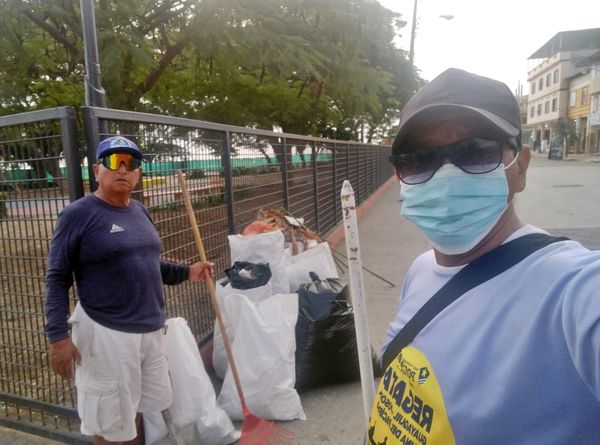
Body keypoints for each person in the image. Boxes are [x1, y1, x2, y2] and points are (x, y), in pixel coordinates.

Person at [367, 68, 600, 444]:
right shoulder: (421, 270)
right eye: (419, 159)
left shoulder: (572, 291)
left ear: (520, 167)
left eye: (475, 151)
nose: (446, 176)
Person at [44, 136, 214, 445]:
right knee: (110, 422)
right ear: (97, 170)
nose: (122, 169)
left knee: (135, 408)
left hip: (149, 330)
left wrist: (187, 272)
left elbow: (148, 262)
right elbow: (57, 276)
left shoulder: (139, 211)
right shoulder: (78, 214)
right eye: (113, 161)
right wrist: (58, 338)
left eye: (131, 163)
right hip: (106, 332)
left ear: (138, 173)